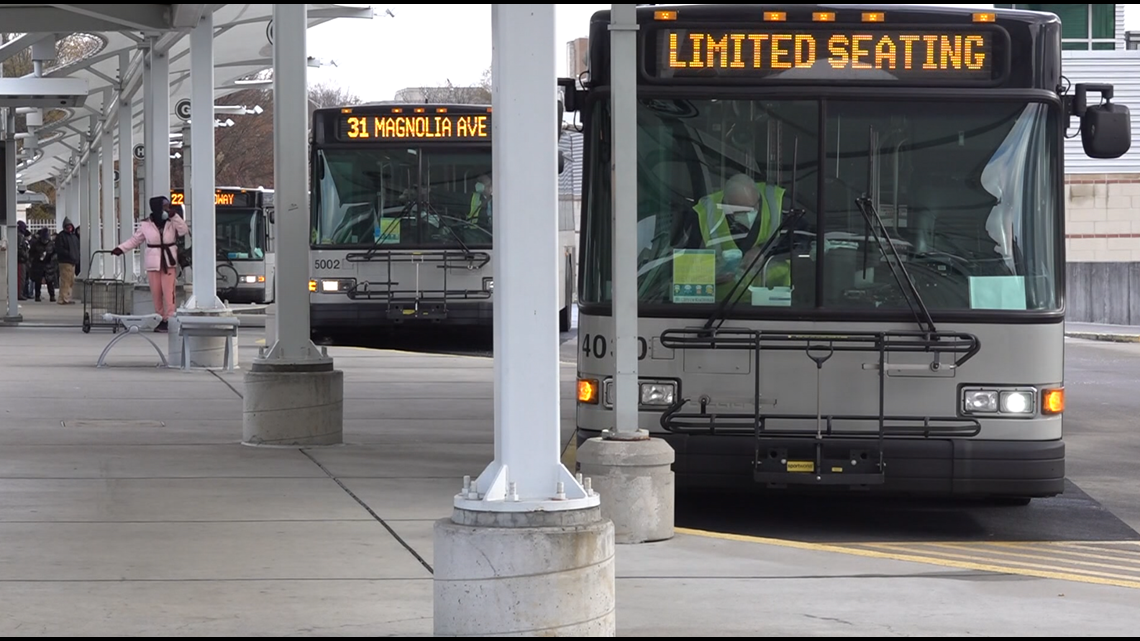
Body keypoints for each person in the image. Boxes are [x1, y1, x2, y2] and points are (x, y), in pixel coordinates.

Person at [687, 172, 791, 300]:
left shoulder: (777, 204)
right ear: (725, 203)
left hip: (773, 303)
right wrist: (709, 277)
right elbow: (687, 264)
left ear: (758, 201)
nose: (744, 215)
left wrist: (763, 250)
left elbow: (801, 241)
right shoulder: (705, 213)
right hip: (720, 307)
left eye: (749, 209)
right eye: (736, 210)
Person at [111, 196, 188, 333]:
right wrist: (121, 249)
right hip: (153, 262)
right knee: (156, 292)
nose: (166, 209)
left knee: (169, 292)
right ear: (156, 208)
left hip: (168, 260)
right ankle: (160, 318)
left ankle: (170, 319)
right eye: (164, 206)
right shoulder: (145, 225)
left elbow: (183, 230)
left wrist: (174, 216)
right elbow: (135, 240)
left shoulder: (172, 221)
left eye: (167, 206)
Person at [54, 217, 81, 305]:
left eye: (70, 226)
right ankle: (64, 298)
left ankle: (65, 297)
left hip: (72, 261)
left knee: (70, 280)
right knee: (66, 280)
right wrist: (69, 254)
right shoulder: (62, 236)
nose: (69, 228)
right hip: (65, 261)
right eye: (67, 226)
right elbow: (60, 249)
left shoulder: (73, 236)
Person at [28, 227, 55, 302]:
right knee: (38, 281)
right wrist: (38, 257)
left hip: (48, 264)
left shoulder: (51, 244)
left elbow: (55, 254)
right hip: (38, 264)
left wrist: (50, 258)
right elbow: (31, 253)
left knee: (50, 281)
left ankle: (52, 296)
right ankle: (37, 296)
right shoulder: (36, 243)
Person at [16, 221, 30, 301]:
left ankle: (19, 293)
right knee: (21, 278)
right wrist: (26, 255)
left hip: (20, 259)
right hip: (21, 260)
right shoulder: (20, 236)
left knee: (21, 278)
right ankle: (19, 294)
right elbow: (20, 249)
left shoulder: (17, 235)